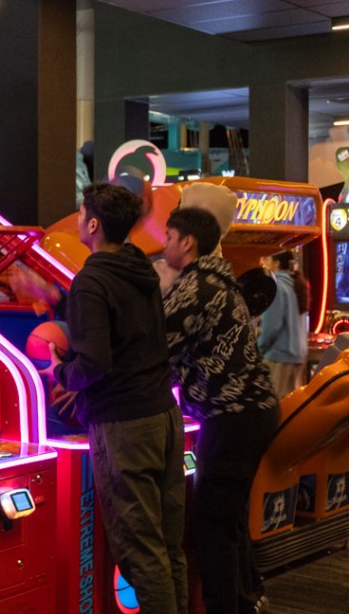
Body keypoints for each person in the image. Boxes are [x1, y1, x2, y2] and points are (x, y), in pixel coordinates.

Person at [47, 182, 188, 614]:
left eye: (80, 213)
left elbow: (94, 362)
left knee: (140, 551)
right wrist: (57, 302)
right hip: (163, 414)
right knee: (168, 545)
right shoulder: (140, 269)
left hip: (126, 426)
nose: (77, 219)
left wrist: (60, 372)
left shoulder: (92, 279)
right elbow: (125, 332)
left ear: (93, 224)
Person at [159, 207, 281, 614]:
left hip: (233, 415)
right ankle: (246, 600)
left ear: (187, 242)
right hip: (252, 411)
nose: (163, 245)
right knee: (229, 517)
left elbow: (155, 348)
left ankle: (227, 606)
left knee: (212, 521)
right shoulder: (222, 281)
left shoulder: (195, 286)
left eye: (168, 237)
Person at [258, 250, 308, 398]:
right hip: (298, 355)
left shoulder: (277, 286)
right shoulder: (295, 284)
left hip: (280, 355)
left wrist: (259, 348)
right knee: (291, 402)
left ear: (276, 263)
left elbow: (272, 325)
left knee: (276, 403)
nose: (264, 263)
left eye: (267, 258)